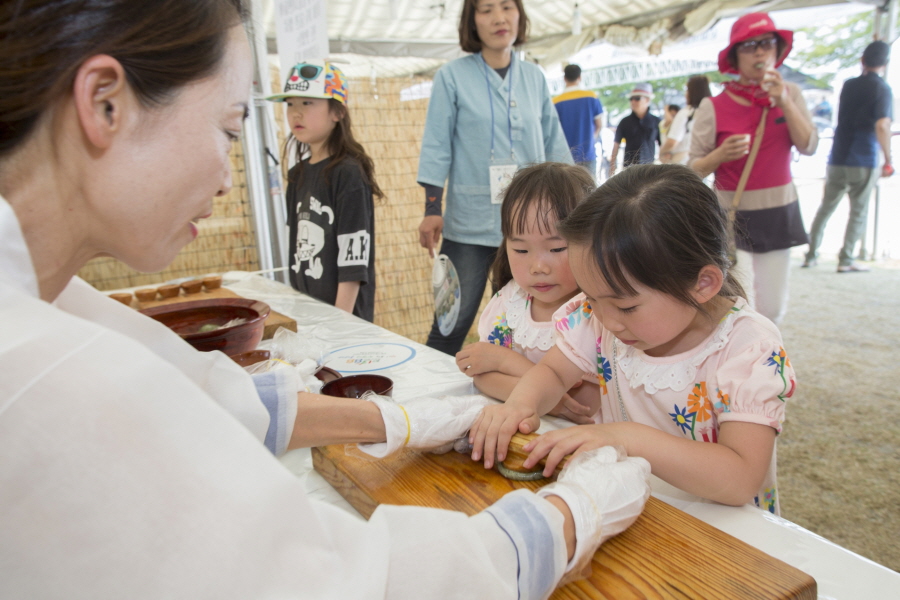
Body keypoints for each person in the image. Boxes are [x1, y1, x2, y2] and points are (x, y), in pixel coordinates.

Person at [0, 1, 653, 597]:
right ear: (105, 103)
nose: (230, 179)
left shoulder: (48, 306)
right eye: (230, 130)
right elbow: (342, 582)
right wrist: (573, 513)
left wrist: (394, 422)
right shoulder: (43, 375)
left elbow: (192, 391)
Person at [468, 164, 796, 515]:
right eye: (592, 299)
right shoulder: (600, 315)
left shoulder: (747, 349)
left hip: (724, 529)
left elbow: (741, 478)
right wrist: (519, 406)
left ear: (702, 284)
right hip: (629, 502)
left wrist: (623, 437)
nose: (606, 320)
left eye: (626, 306)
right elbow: (552, 373)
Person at [417, 0, 573, 356]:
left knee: (517, 328)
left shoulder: (534, 77)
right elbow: (436, 145)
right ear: (471, 21)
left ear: (520, 14)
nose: (499, 18)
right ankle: (424, 403)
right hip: (468, 225)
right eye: (486, 9)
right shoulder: (452, 76)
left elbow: (555, 146)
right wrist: (431, 206)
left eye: (507, 6)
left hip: (531, 230)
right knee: (449, 324)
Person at [689, 12, 817, 325]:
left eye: (766, 43)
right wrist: (719, 155)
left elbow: (809, 145)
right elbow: (692, 171)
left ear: (777, 49)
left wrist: (784, 101)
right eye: (749, 46)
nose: (760, 52)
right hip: (730, 215)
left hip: (777, 211)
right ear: (735, 56)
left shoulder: (792, 95)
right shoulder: (714, 106)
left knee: (772, 306)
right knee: (737, 303)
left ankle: (768, 367)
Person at [455, 163, 599, 424]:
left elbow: (582, 405)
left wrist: (504, 361)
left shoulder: (597, 312)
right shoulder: (510, 302)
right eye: (521, 250)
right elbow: (481, 376)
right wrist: (552, 404)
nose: (538, 267)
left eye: (556, 249)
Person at [267, 61, 382, 321]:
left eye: (307, 103)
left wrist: (338, 325)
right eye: (290, 104)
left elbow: (354, 260)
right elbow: (296, 249)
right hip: (308, 314)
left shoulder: (348, 173)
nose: (295, 113)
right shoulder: (297, 175)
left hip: (344, 320)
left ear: (337, 112)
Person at [803, 40, 893, 273]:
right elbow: (882, 125)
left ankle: (811, 254)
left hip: (837, 156)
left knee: (826, 208)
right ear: (885, 64)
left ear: (862, 60)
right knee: (858, 212)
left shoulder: (848, 85)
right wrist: (889, 158)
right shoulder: (883, 89)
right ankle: (846, 259)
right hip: (863, 158)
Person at [553, 64, 604, 179]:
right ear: (580, 77)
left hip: (564, 157)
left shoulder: (556, 102)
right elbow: (599, 125)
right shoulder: (591, 97)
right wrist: (591, 140)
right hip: (588, 154)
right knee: (589, 191)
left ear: (564, 78)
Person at [608, 83, 660, 176]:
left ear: (647, 100)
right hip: (629, 170)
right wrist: (612, 165)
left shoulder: (656, 121)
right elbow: (616, 144)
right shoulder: (624, 122)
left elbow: (663, 144)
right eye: (631, 99)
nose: (633, 101)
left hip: (649, 169)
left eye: (637, 98)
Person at [660, 76, 711, 165]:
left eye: (687, 90)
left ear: (692, 93)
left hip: (680, 163)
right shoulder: (708, 113)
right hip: (702, 162)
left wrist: (661, 153)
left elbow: (673, 141)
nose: (685, 94)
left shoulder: (686, 113)